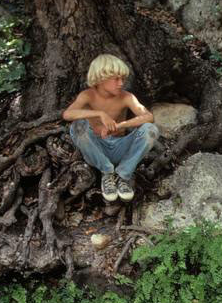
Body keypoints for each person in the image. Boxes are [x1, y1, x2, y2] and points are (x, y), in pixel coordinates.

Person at [62, 54, 159, 202]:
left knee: (150, 130)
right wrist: (100, 114)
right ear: (101, 78)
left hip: (121, 148)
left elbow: (148, 117)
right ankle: (107, 173)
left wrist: (121, 125)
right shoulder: (87, 96)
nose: (121, 83)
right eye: (116, 79)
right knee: (77, 126)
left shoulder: (126, 97)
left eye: (123, 79)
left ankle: (123, 175)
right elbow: (67, 114)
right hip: (96, 150)